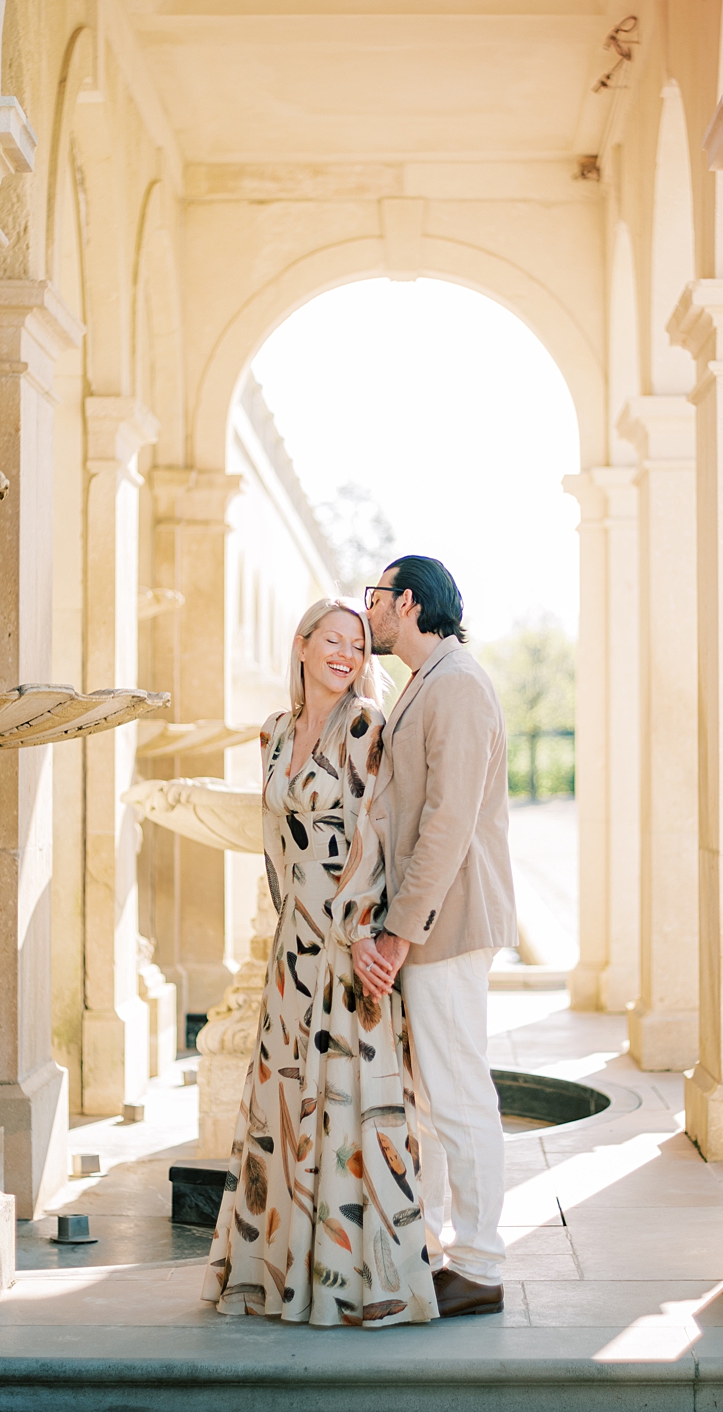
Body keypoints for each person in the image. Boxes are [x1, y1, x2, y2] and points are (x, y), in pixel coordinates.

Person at [204, 598, 439, 1327]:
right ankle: (278, 1274)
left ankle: (353, 1283)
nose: (346, 653)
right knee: (281, 1100)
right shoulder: (273, 732)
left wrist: (364, 932)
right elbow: (276, 837)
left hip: (347, 938)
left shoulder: (365, 725)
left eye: (358, 644)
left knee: (346, 1101)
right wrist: (287, 921)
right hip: (293, 941)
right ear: (303, 645)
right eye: (332, 639)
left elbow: (374, 831)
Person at [353, 555, 517, 1318]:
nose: (369, 611)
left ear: (410, 602)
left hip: (445, 923)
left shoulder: (455, 685)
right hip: (433, 924)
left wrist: (396, 934)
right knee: (436, 1095)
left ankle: (479, 1264)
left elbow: (448, 823)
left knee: (458, 1093)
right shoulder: (431, 681)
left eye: (377, 597)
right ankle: (441, 1246)